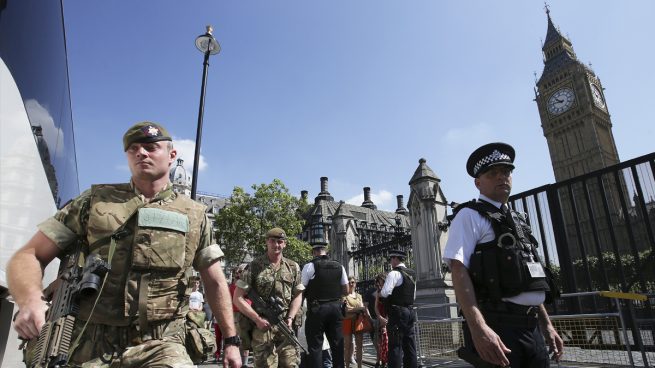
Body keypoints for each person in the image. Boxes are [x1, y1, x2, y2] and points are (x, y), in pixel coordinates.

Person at [7, 121, 241, 367]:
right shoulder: (93, 202)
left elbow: (214, 280)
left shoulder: (195, 215)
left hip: (161, 344)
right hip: (89, 341)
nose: (141, 152)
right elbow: (30, 255)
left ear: (172, 155)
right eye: (134, 148)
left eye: (151, 147)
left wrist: (232, 341)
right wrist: (30, 299)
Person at [443, 142, 564, 367]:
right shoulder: (469, 216)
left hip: (531, 328)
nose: (502, 177)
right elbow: (458, 271)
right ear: (478, 183)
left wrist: (546, 324)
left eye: (506, 172)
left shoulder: (518, 220)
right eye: (493, 173)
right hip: (498, 327)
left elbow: (528, 278)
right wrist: (478, 329)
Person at [233, 227, 304, 368]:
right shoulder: (253, 267)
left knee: (291, 365)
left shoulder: (293, 267)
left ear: (285, 244)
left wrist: (290, 318)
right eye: (273, 241)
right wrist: (257, 319)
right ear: (267, 242)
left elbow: (298, 295)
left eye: (280, 241)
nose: (276, 245)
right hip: (262, 329)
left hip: (285, 327)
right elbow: (238, 298)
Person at [301, 243, 349, 368]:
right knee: (338, 345)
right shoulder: (339, 266)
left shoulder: (310, 266)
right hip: (335, 308)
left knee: (316, 346)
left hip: (317, 309)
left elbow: (301, 289)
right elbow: (346, 290)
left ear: (314, 252)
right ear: (325, 251)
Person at [343, 276, 369, 368]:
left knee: (359, 345)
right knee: (347, 346)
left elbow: (359, 308)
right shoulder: (344, 296)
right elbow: (346, 310)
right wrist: (359, 309)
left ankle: (360, 366)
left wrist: (354, 309)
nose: (351, 284)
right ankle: (346, 366)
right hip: (347, 321)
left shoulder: (359, 296)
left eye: (353, 282)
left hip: (358, 321)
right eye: (349, 282)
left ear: (355, 283)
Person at [230, 264, 253, 367]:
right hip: (234, 314)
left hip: (246, 313)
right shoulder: (234, 285)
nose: (239, 274)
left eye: (241, 272)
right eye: (238, 272)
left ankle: (244, 364)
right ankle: (239, 362)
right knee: (236, 340)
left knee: (245, 341)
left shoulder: (249, 284)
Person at [374, 273, 389, 368]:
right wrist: (380, 318)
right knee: (380, 341)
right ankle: (382, 360)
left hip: (388, 320)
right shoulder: (378, 292)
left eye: (381, 281)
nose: (380, 283)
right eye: (378, 281)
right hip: (381, 319)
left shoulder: (389, 291)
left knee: (387, 341)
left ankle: (386, 361)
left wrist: (386, 319)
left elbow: (391, 307)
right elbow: (375, 307)